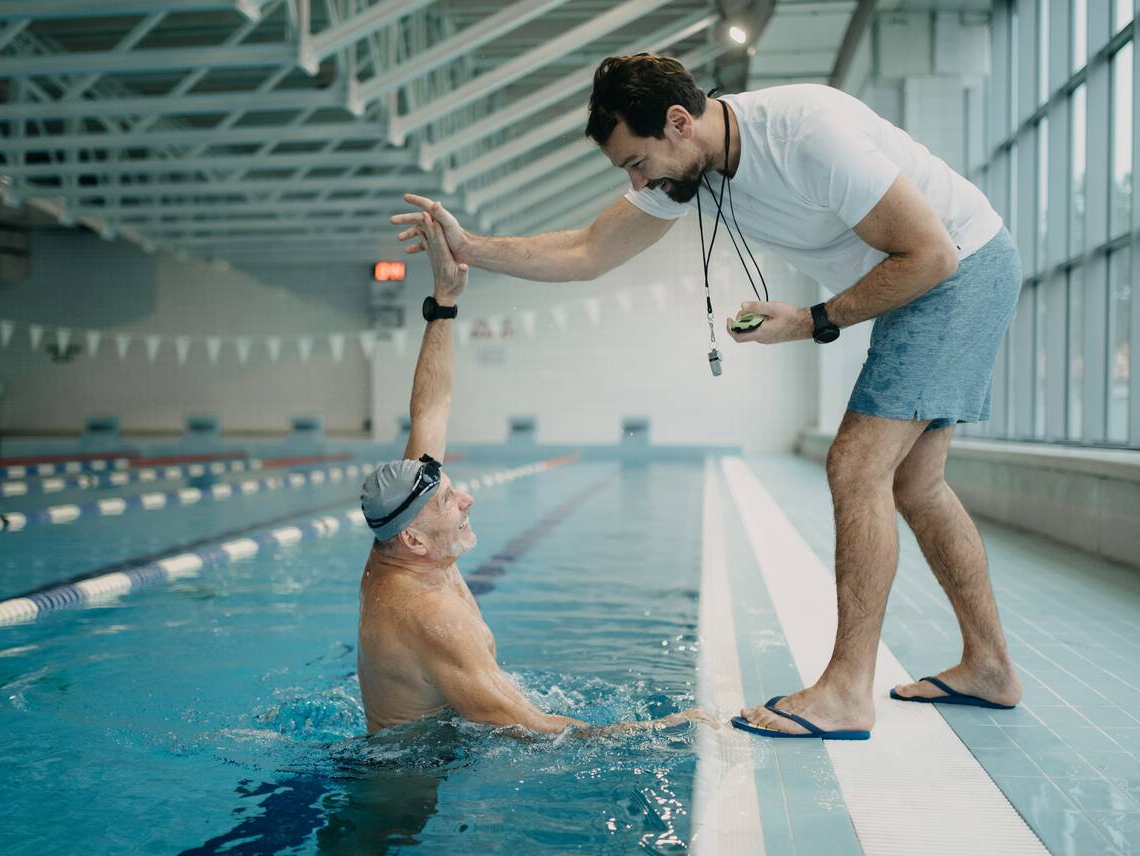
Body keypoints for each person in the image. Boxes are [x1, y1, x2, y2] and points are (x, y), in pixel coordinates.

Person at [390, 54, 1024, 740]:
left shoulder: (808, 134)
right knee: (917, 484)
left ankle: (846, 691)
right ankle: (990, 667)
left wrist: (810, 319)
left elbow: (932, 255)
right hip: (935, 276)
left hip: (957, 268)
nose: (638, 183)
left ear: (678, 121)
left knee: (856, 465)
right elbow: (587, 251)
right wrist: (470, 247)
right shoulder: (691, 168)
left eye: (637, 163)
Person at [357, 206, 709, 736]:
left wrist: (445, 301)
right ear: (414, 539)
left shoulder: (401, 539)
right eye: (449, 501)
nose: (466, 499)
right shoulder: (430, 617)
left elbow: (431, 407)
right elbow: (536, 730)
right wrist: (665, 730)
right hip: (418, 772)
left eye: (453, 490)